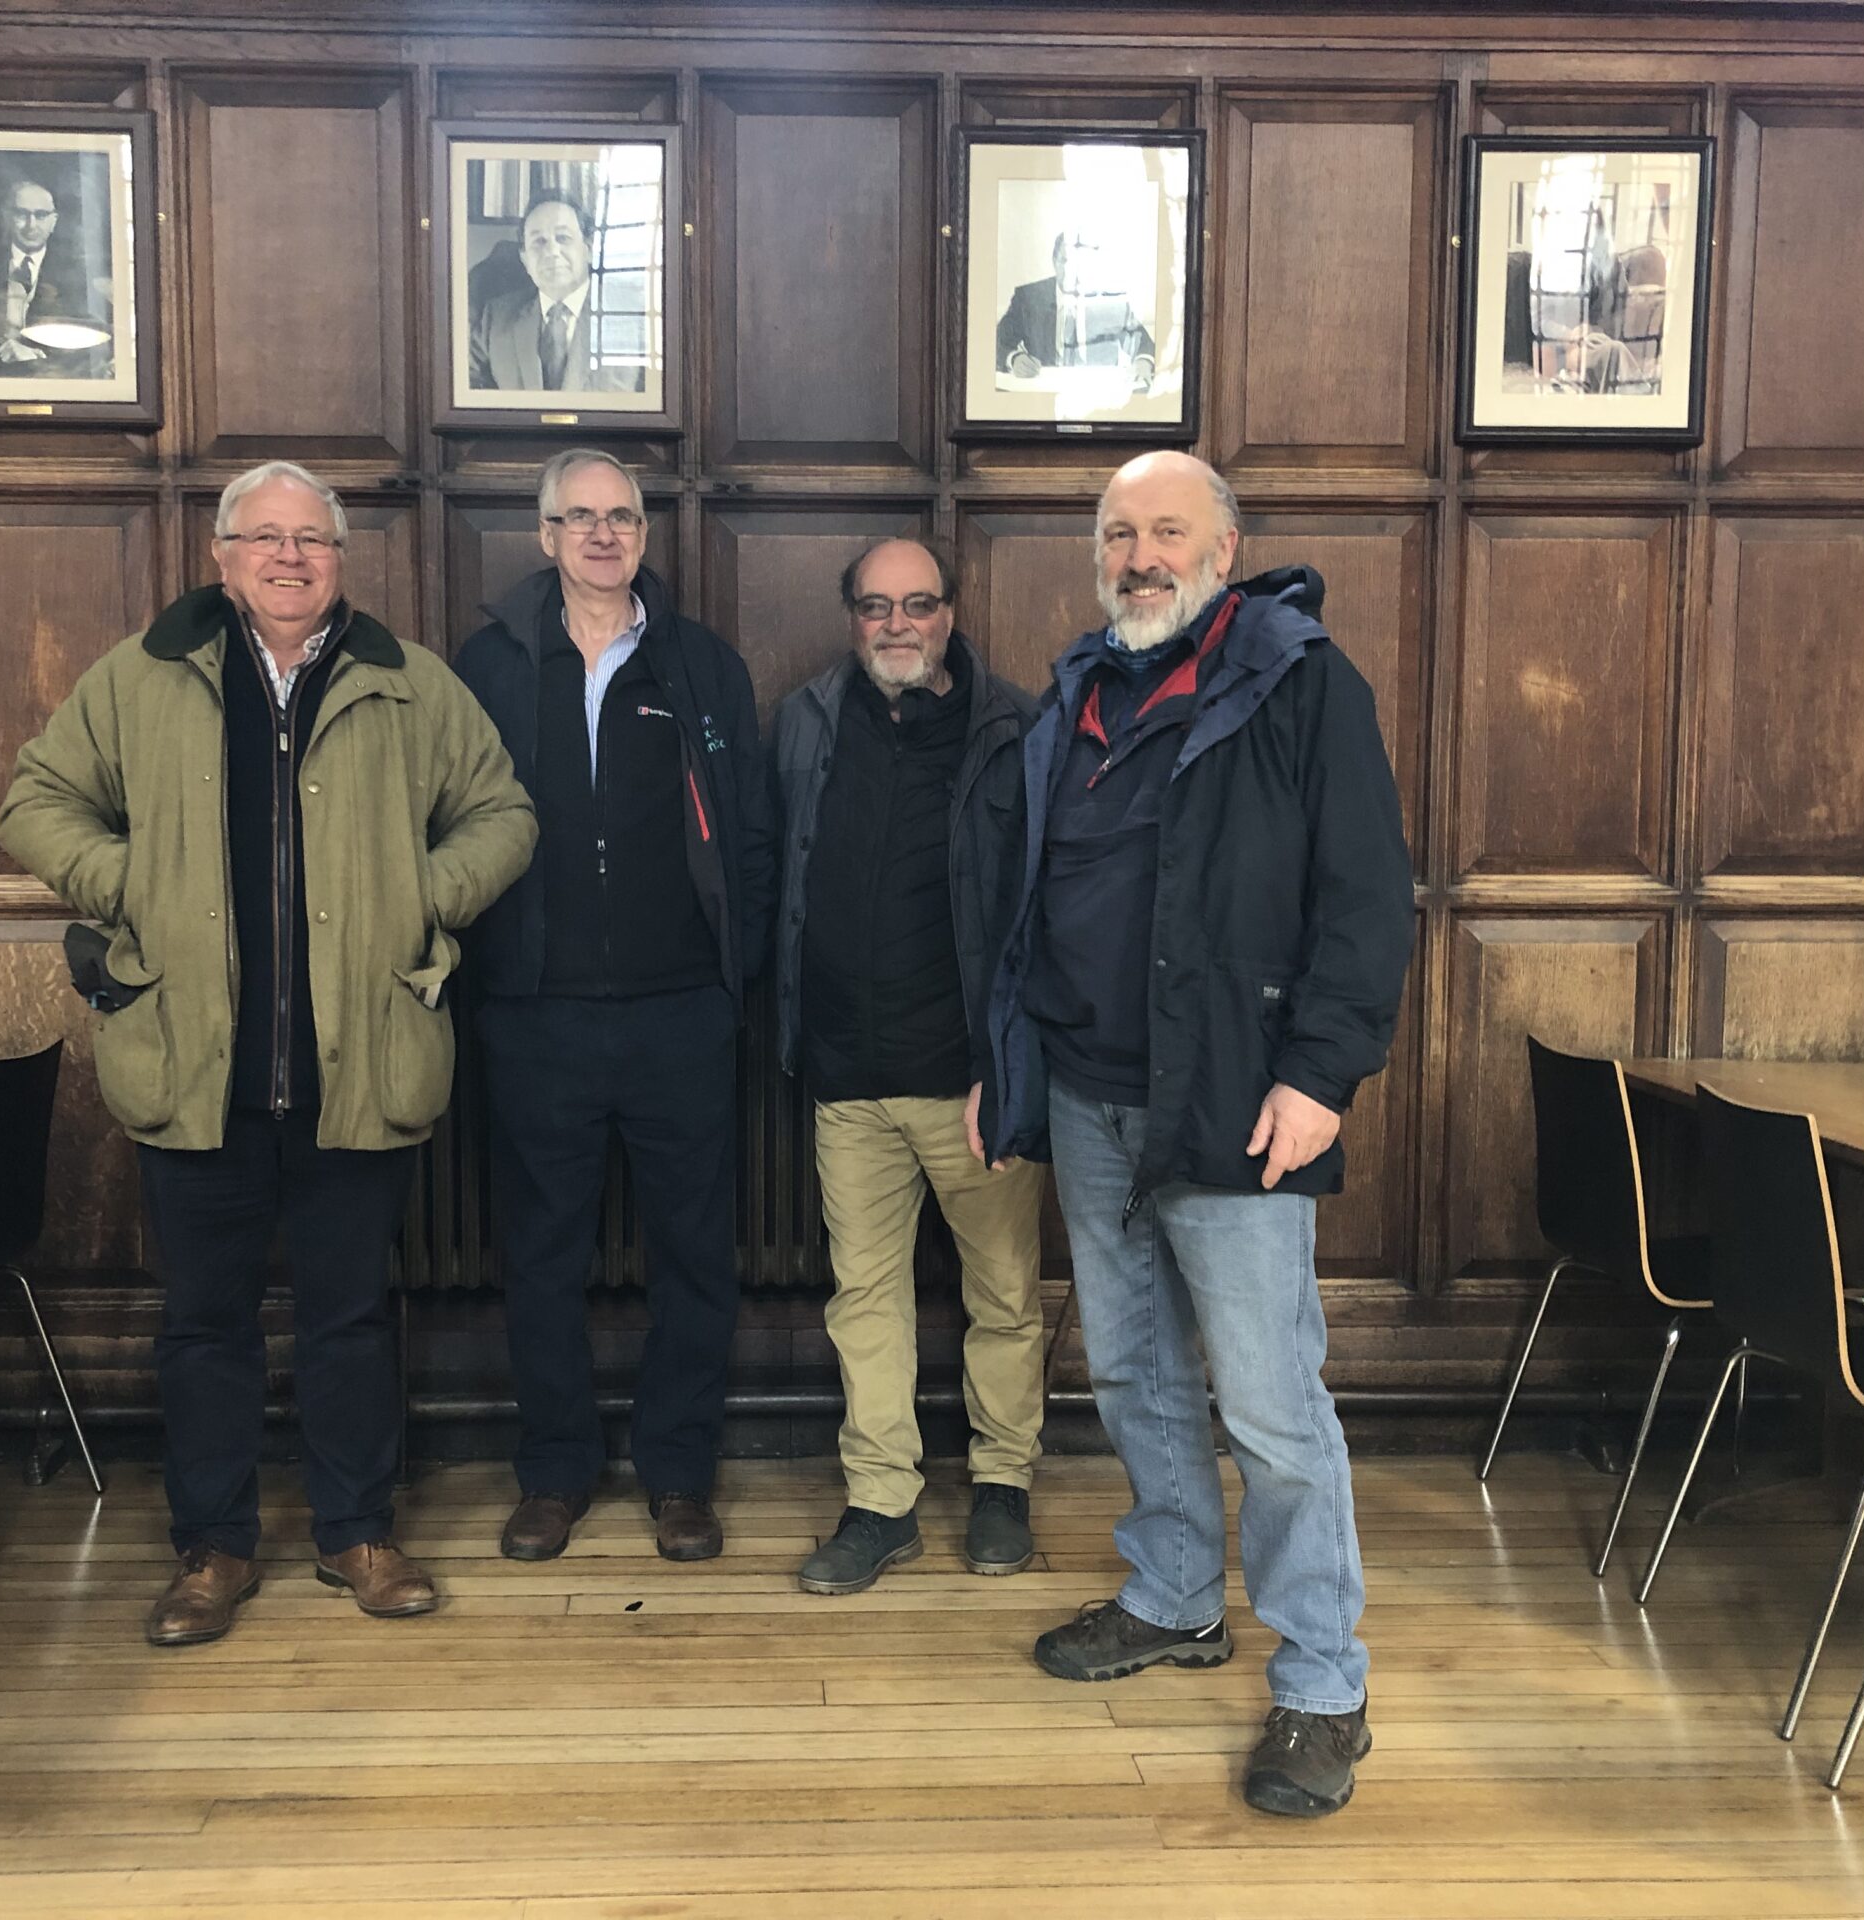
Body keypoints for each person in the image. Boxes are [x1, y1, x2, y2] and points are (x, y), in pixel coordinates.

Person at [0, 460, 536, 1648]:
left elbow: (504, 812)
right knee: (205, 1322)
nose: (290, 558)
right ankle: (215, 1547)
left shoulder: (408, 685)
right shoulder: (143, 677)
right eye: (265, 538)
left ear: (341, 560)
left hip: (359, 1060)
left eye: (314, 540)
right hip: (197, 1063)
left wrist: (421, 901)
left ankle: (356, 1532)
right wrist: (130, 881)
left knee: (350, 1315)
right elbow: (36, 800)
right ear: (222, 556)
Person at [983, 450, 1414, 1818]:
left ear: (1225, 549)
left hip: (1238, 1100)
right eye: (1118, 533)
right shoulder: (1076, 691)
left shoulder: (1299, 680)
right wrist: (1012, 1069)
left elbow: (1365, 897)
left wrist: (1323, 1075)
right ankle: (1174, 1596)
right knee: (1130, 1374)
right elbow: (1024, 904)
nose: (1139, 553)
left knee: (1274, 1407)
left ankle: (1322, 1684)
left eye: (1167, 529)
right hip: (1091, 1098)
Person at [453, 448, 773, 1564]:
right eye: (577, 517)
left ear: (644, 535)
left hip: (681, 1010)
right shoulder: (487, 664)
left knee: (695, 1254)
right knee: (541, 1255)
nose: (601, 534)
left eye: (620, 518)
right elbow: (442, 819)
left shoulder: (700, 665)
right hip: (533, 1010)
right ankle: (553, 1473)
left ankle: (679, 1474)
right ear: (542, 537)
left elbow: (750, 833)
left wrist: (740, 983)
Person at [772, 536, 1046, 1595]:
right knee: (865, 1299)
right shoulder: (806, 721)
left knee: (1002, 1293)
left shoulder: (1011, 728)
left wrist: (1008, 1060)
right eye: (876, 606)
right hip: (845, 1074)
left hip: (971, 1080)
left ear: (949, 613)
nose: (897, 624)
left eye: (917, 605)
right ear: (852, 616)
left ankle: (1002, 1484)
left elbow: (1037, 910)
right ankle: (880, 1501)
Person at [468, 192, 645, 394]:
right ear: (525, 260)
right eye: (539, 241)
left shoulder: (632, 318)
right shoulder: (496, 317)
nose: (552, 250)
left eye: (563, 238)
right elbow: (466, 389)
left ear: (588, 249)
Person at [0, 176, 102, 377]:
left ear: (54, 221)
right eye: (21, 214)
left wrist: (37, 357)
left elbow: (90, 344)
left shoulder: (76, 274)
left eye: (41, 215)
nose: (31, 225)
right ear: (6, 217)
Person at [995, 231, 1156, 391]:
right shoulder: (1028, 298)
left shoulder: (1111, 300)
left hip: (1097, 393)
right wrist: (1014, 358)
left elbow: (1143, 343)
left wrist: (1144, 361)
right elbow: (998, 341)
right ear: (1054, 262)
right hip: (1043, 392)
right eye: (1064, 261)